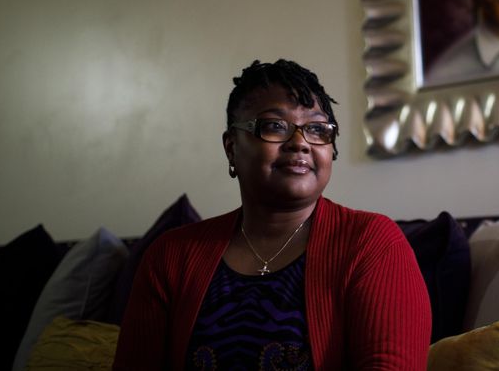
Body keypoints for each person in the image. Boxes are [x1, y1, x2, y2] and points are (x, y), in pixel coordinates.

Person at [113, 59, 431, 370]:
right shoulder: (170, 256)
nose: (300, 143)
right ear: (231, 147)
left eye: (317, 129)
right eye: (275, 126)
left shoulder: (372, 243)